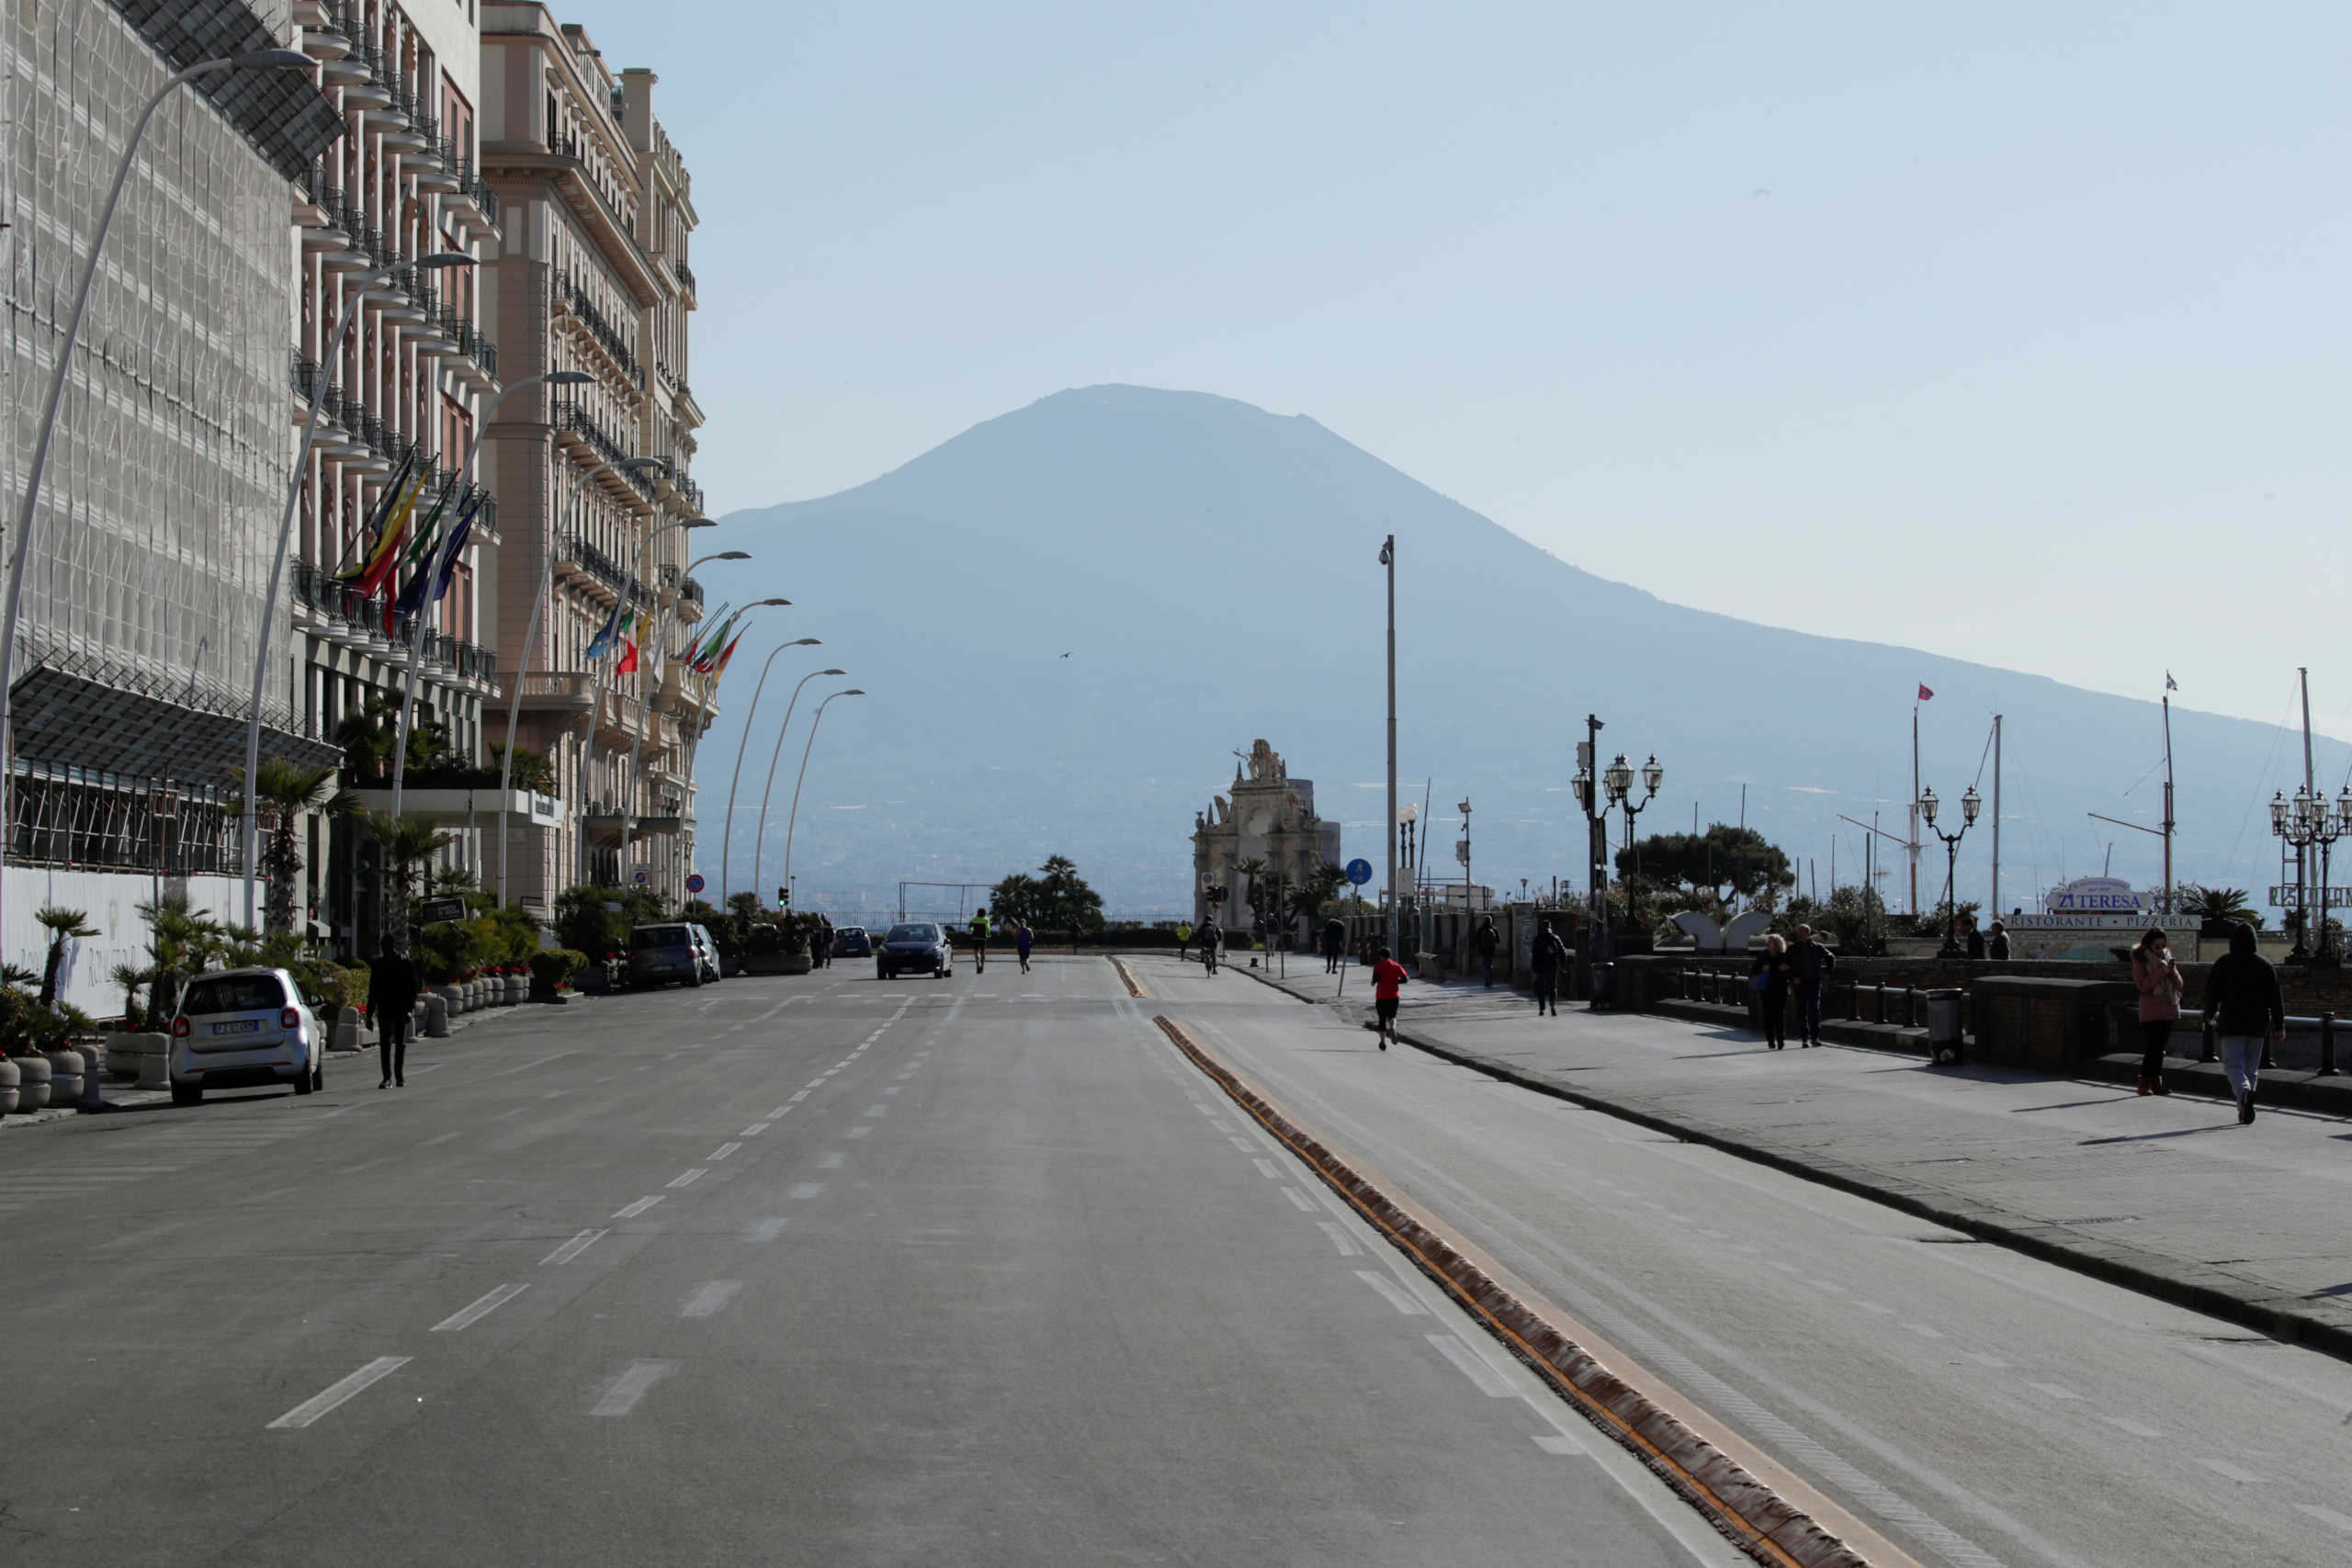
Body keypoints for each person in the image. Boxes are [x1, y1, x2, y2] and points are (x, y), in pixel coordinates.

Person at [2202, 921, 2284, 1124]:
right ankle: (2244, 1110)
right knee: (2251, 1068)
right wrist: (2280, 1025)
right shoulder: (2265, 965)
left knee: (2233, 1065)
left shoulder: (2224, 963)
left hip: (2232, 1022)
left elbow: (2213, 992)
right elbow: (2275, 998)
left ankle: (2245, 1093)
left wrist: (2209, 1014)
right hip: (2258, 1024)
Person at [2131, 927, 2184, 1096]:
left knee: (2160, 1048)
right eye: (2157, 946)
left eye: (2163, 945)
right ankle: (2144, 1084)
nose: (2161, 949)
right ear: (2149, 946)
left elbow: (2180, 984)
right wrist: (2161, 971)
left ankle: (2156, 1083)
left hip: (2168, 1007)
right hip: (2152, 1010)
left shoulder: (2167, 958)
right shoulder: (2141, 961)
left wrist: (2172, 971)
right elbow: (2143, 985)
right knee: (2153, 1048)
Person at [370, 943, 423, 1089]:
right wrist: (369, 1014)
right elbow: (373, 989)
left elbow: (412, 987)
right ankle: (387, 1077)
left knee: (400, 1043)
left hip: (400, 1008)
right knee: (385, 1043)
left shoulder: (404, 962)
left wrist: (410, 1009)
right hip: (385, 1008)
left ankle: (399, 1076)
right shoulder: (379, 964)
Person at [1787, 924, 1836, 1046]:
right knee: (1801, 1010)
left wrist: (1827, 973)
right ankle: (1804, 1038)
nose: (1799, 934)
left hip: (1814, 982)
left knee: (1814, 1010)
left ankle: (1815, 1037)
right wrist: (1793, 978)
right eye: (1798, 932)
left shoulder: (1817, 947)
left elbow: (1831, 957)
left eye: (1801, 932)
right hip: (1799, 983)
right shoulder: (1792, 948)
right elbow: (1786, 965)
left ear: (1807, 933)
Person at [1751, 933, 1793, 1050]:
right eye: (1768, 942)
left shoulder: (1784, 956)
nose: (1767, 944)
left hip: (1780, 988)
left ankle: (1780, 1040)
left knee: (1779, 1014)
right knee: (1768, 1015)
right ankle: (1770, 1040)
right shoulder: (1763, 955)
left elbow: (1788, 971)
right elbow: (1754, 970)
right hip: (1766, 989)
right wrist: (1762, 969)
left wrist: (1777, 969)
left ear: (1776, 944)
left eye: (1770, 942)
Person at [1370, 943, 1408, 1050]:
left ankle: (1382, 1042)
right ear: (1389, 955)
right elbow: (1405, 979)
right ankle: (1393, 1028)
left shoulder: (1378, 966)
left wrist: (1373, 983)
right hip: (1394, 996)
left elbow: (1375, 980)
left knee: (1382, 1020)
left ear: (1381, 956)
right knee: (1392, 1016)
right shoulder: (1396, 965)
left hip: (1381, 996)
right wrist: (1396, 981)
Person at [1531, 921, 1568, 1016]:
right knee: (1552, 987)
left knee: (1541, 987)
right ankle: (1553, 1006)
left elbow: (1534, 955)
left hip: (1540, 967)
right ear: (1550, 927)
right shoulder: (1555, 938)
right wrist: (1563, 964)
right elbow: (1562, 951)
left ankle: (1541, 1008)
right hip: (1552, 966)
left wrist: (1534, 969)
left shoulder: (1537, 939)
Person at [1474, 915, 1500, 987]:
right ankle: (1490, 980)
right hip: (1491, 950)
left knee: (1484, 966)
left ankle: (1486, 980)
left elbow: (1476, 940)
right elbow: (1498, 940)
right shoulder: (1494, 929)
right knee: (1489, 965)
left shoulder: (1480, 929)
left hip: (1482, 951)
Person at [969, 908, 991, 974]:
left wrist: (972, 931)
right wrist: (988, 934)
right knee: (982, 952)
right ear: (985, 913)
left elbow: (969, 927)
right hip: (983, 938)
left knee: (976, 952)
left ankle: (978, 964)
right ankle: (982, 965)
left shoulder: (974, 919)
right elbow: (988, 928)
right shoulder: (986, 919)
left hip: (975, 937)